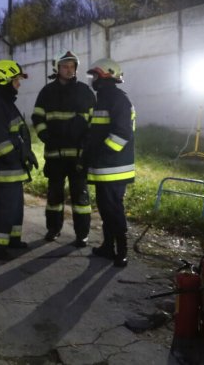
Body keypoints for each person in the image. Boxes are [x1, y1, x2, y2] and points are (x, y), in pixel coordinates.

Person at [32, 50, 96, 247]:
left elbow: (94, 122)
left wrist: (87, 143)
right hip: (55, 154)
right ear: (57, 68)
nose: (69, 70)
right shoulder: (47, 92)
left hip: (78, 155)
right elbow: (37, 117)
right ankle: (53, 229)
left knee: (80, 197)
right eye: (65, 67)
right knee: (54, 196)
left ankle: (82, 234)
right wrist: (46, 137)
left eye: (72, 67)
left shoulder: (85, 92)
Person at [0, 60, 38, 260]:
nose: (19, 85)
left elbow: (16, 135)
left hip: (12, 170)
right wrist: (18, 158)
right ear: (6, 81)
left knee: (14, 209)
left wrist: (26, 153)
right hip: (3, 171)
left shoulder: (4, 103)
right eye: (16, 80)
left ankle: (12, 240)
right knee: (3, 211)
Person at [84, 58, 135, 268]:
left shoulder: (118, 100)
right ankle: (108, 246)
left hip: (114, 168)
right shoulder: (103, 99)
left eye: (95, 76)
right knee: (105, 208)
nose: (93, 80)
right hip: (104, 168)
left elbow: (121, 134)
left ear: (106, 75)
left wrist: (100, 153)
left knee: (114, 209)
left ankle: (122, 251)